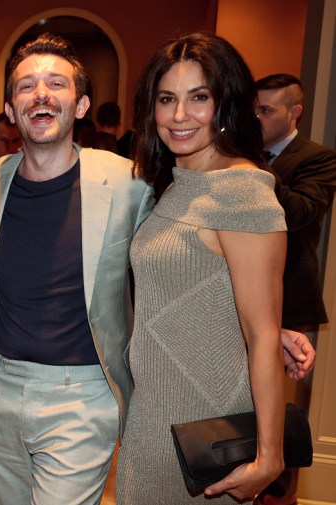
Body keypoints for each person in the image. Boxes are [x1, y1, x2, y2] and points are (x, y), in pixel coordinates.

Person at [0, 33, 154, 505]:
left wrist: (248, 316)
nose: (41, 94)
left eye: (57, 83)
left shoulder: (128, 182)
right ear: (12, 110)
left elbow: (176, 260)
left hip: (82, 394)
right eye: (26, 86)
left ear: (81, 105)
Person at [116, 32, 287, 503]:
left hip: (204, 422)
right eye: (166, 99)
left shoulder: (242, 190)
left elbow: (263, 334)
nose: (179, 116)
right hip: (153, 413)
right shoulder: (179, 181)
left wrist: (269, 457)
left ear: (226, 103)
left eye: (198, 98)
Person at [254, 74, 336, 505]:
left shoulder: (318, 158)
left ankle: (277, 495)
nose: (257, 118)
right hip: (242, 300)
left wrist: (257, 167)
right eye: (254, 109)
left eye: (266, 111)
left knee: (281, 415)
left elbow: (301, 212)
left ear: (294, 113)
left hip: (291, 304)